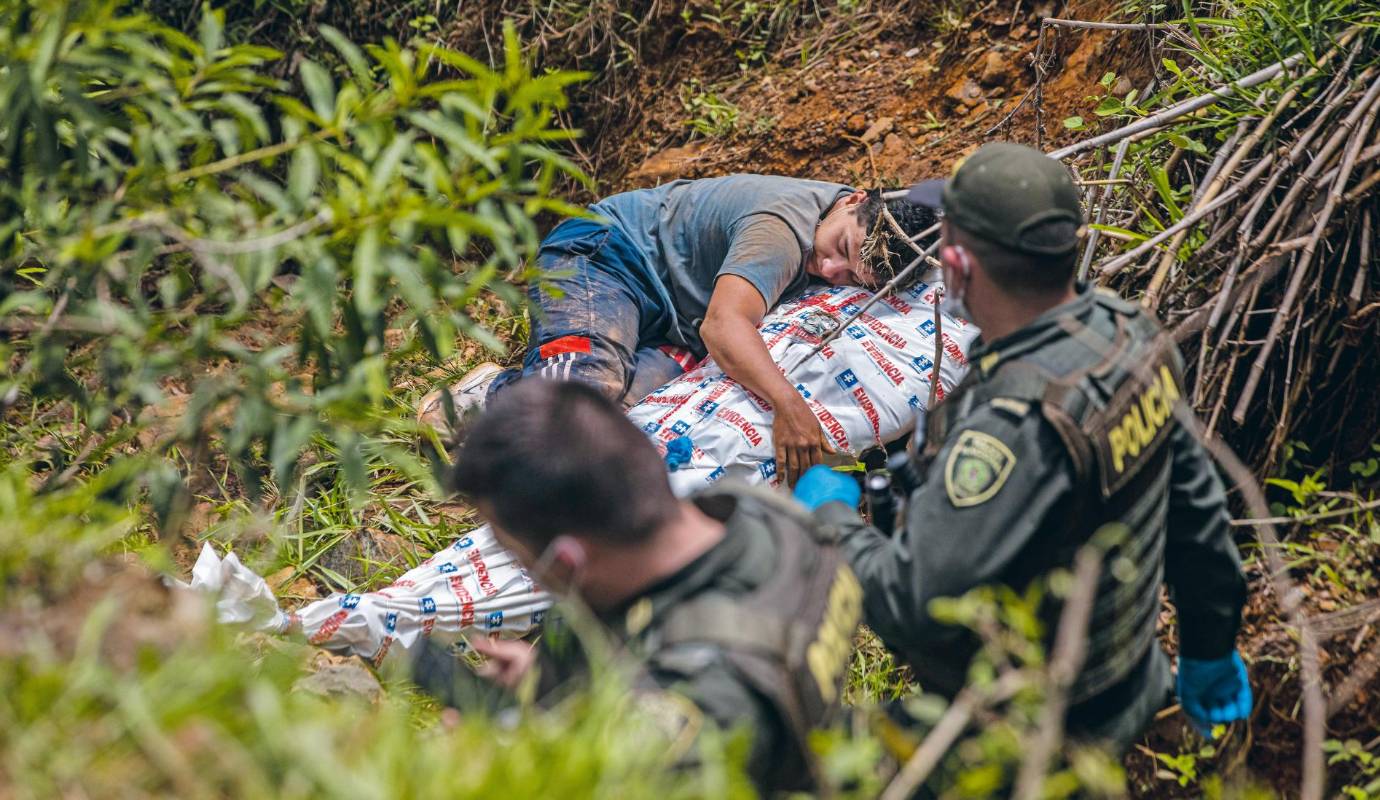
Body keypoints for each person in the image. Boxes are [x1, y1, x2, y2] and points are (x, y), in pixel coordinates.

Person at [792, 143, 1251, 750]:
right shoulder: (1132, 335)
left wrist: (829, 514)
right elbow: (1196, 511)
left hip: (1031, 732)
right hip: (1129, 680)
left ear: (956, 268)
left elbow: (910, 607)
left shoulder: (1014, 428)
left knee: (790, 755)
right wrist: (1210, 646)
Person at [413, 379, 865, 794]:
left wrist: (499, 762)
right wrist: (553, 684)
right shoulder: (762, 515)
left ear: (567, 562)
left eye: (521, 558)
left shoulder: (696, 712)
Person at [416, 174, 935, 484]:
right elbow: (725, 327)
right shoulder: (781, 233)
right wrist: (789, 405)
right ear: (852, 199)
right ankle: (486, 396)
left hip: (676, 325)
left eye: (851, 277)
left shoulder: (862, 231)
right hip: (606, 256)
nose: (830, 272)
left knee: (617, 424)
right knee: (575, 399)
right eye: (841, 250)